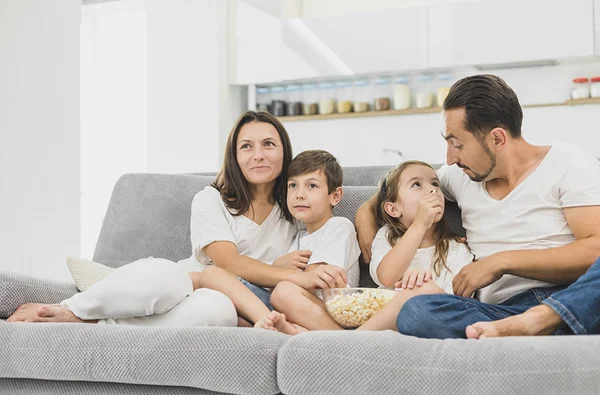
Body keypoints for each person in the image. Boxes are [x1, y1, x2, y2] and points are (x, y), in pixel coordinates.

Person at [8, 111, 344, 327]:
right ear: (234, 156)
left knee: (217, 314)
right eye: (246, 147)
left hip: (224, 300)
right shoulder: (210, 199)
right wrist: (285, 271)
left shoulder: (298, 208)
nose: (258, 155)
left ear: (284, 151)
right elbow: (227, 261)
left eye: (269, 144)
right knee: (162, 280)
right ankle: (73, 308)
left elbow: (358, 215)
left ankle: (97, 324)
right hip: (184, 280)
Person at [355, 74, 600, 339]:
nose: (450, 157)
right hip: (495, 314)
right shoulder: (460, 175)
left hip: (573, 298)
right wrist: (365, 212)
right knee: (415, 310)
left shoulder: (570, 163)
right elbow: (402, 188)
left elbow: (595, 249)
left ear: (497, 139)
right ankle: (527, 328)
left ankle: (543, 320)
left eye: (457, 144)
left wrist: (501, 262)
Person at [259, 160, 473, 334]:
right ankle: (344, 340)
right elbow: (387, 277)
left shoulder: (456, 248)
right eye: (417, 185)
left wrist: (425, 286)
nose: (432, 191)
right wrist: (419, 224)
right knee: (282, 292)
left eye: (435, 184)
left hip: (418, 320)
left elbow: (455, 306)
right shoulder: (387, 238)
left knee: (420, 290)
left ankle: (347, 342)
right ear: (392, 208)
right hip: (377, 321)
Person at [190, 150, 354, 327]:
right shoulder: (298, 235)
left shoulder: (338, 226)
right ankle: (270, 323)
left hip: (319, 312)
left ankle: (329, 334)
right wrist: (277, 266)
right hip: (285, 308)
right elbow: (279, 283)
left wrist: (281, 271)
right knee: (210, 275)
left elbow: (314, 281)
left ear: (335, 196)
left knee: (284, 292)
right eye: (293, 186)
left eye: (312, 186)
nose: (300, 194)